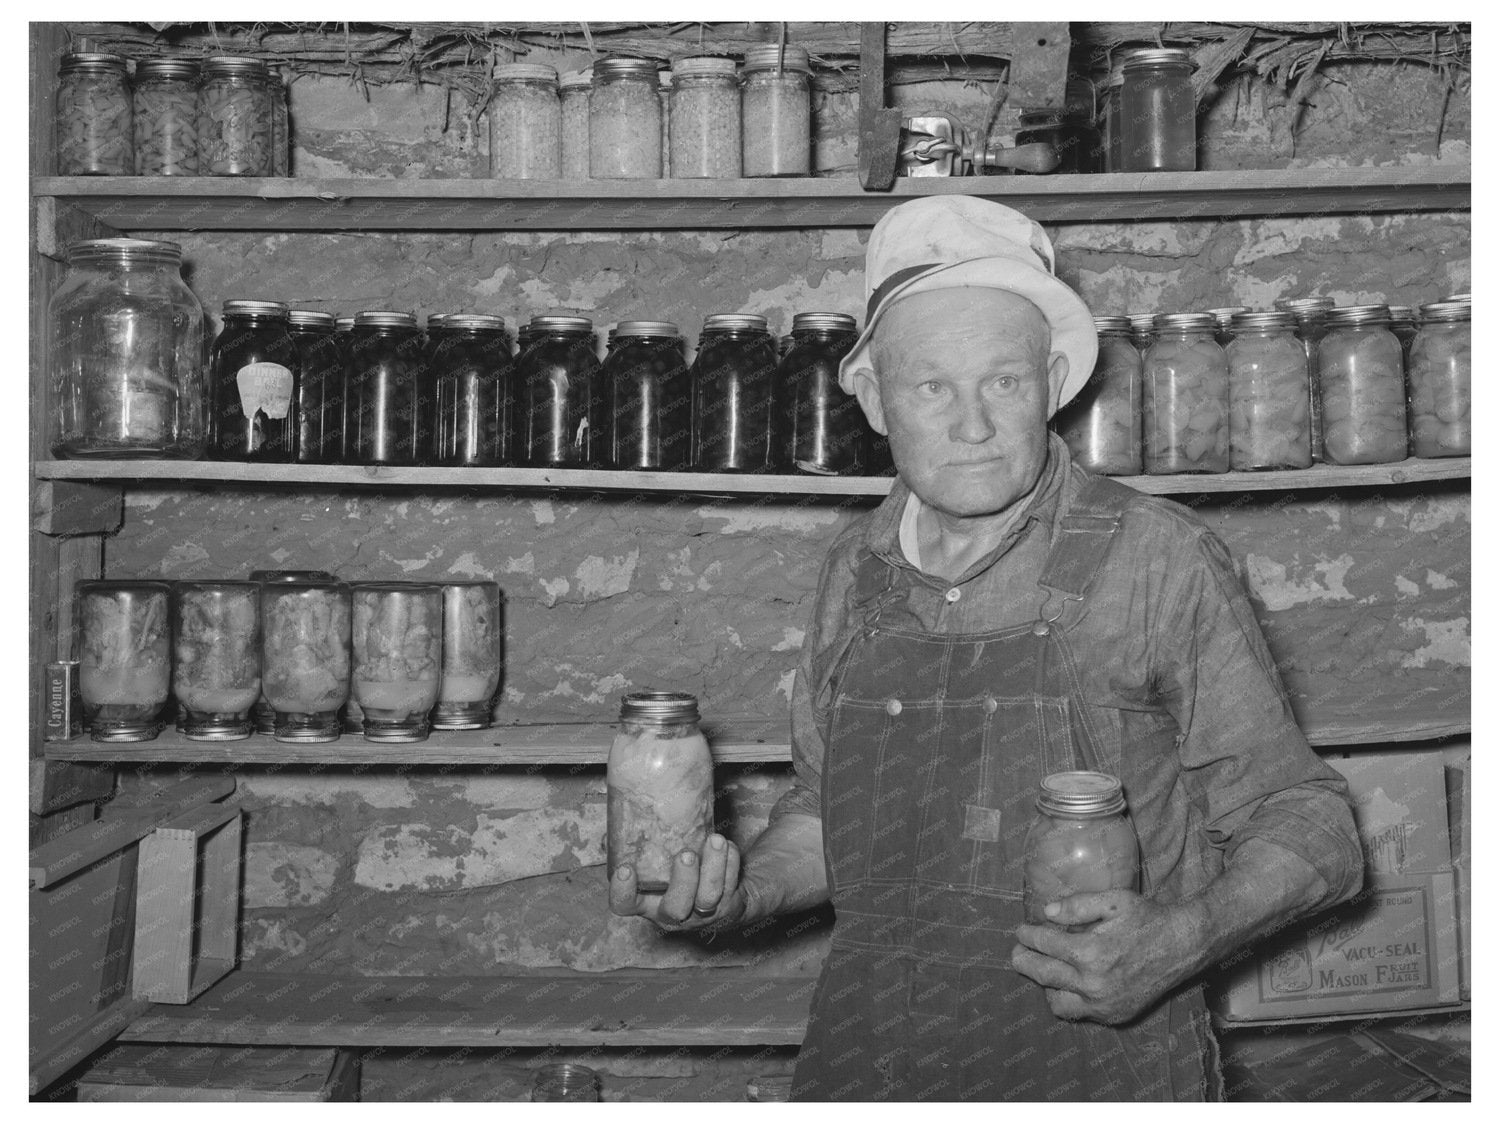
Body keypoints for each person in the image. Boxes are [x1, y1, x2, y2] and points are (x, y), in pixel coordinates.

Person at [609, 197, 1363, 1101]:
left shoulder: (1155, 556)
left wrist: (1179, 940)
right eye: (932, 386)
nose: (972, 424)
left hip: (1095, 1057)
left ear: (1051, 381)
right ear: (873, 400)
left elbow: (1314, 827)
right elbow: (824, 817)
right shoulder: (856, 573)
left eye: (1003, 382)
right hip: (874, 1051)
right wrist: (742, 897)